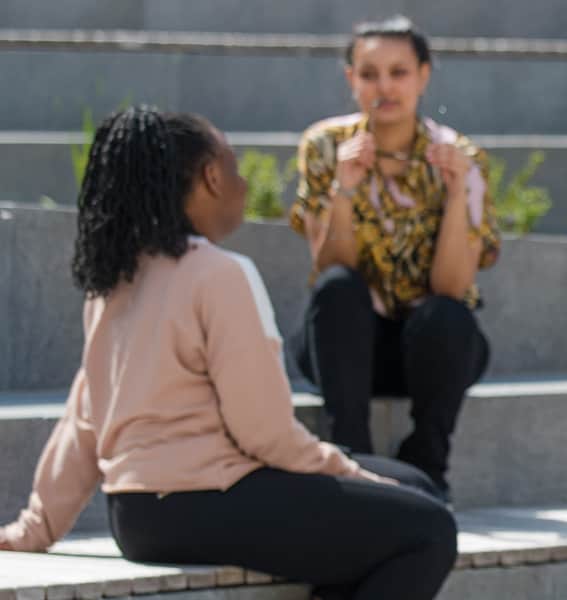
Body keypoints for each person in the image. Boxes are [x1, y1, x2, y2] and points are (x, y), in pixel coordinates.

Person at [0, 106, 456, 599]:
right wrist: (346, 471)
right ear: (212, 177)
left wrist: (38, 525)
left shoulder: (111, 283)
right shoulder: (219, 274)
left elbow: (82, 422)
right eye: (234, 167)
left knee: (412, 484)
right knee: (429, 530)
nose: (241, 184)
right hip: (209, 503)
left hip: (136, 517)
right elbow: (263, 432)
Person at [287, 15, 499, 496]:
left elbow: (451, 287)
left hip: (431, 353)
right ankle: (352, 463)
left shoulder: (462, 156)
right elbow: (330, 265)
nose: (384, 86)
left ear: (424, 75)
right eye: (369, 74)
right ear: (351, 80)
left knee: (448, 316)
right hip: (344, 347)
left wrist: (456, 194)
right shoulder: (325, 146)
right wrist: (344, 189)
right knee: (338, 290)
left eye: (398, 72)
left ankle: (427, 467)